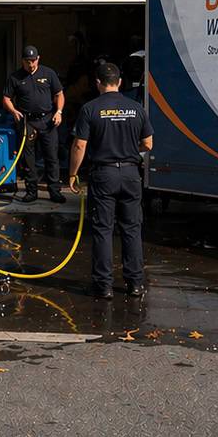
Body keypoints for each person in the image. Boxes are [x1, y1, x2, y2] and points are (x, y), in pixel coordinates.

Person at [68, 60, 153, 298]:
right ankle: (135, 283)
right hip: (130, 173)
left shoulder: (90, 109)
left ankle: (104, 286)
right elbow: (148, 143)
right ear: (120, 83)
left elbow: (79, 145)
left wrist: (73, 174)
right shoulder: (136, 108)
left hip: (103, 174)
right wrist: (128, 148)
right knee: (131, 229)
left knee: (103, 230)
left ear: (98, 83)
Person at [1, 45, 65, 204]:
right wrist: (13, 111)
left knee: (51, 156)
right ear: (23, 61)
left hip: (47, 120)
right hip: (27, 121)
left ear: (38, 58)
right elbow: (6, 98)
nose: (31, 64)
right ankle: (31, 191)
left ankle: (54, 191)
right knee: (28, 158)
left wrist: (59, 112)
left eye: (34, 60)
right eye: (28, 61)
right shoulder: (15, 77)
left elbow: (59, 94)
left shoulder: (48, 73)